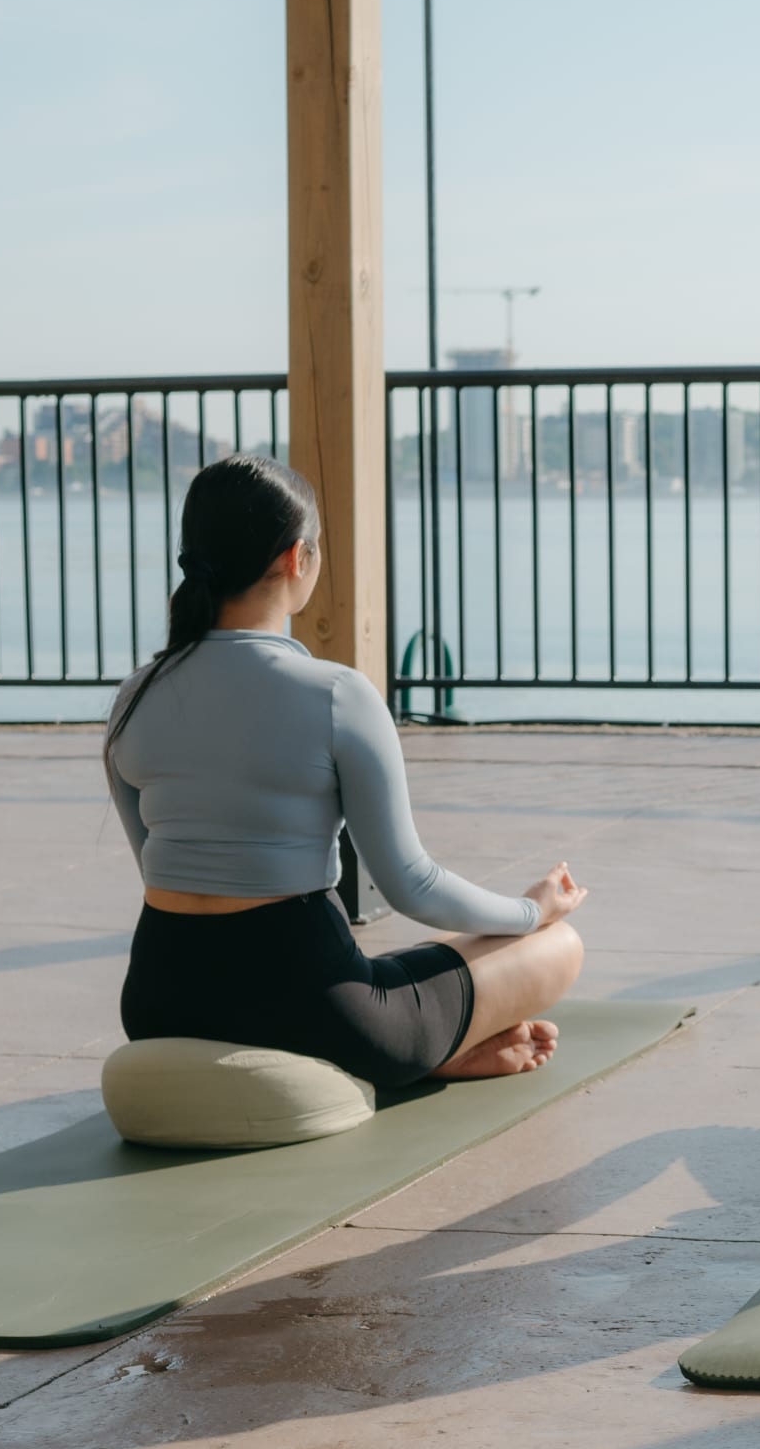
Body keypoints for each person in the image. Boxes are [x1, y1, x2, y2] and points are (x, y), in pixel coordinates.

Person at [104, 454, 587, 1087]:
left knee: (404, 968)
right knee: (557, 951)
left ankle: (440, 1047)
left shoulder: (135, 694)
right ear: (295, 559)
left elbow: (156, 868)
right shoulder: (336, 693)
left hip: (159, 1005)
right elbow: (411, 885)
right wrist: (533, 911)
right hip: (317, 1014)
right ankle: (426, 1052)